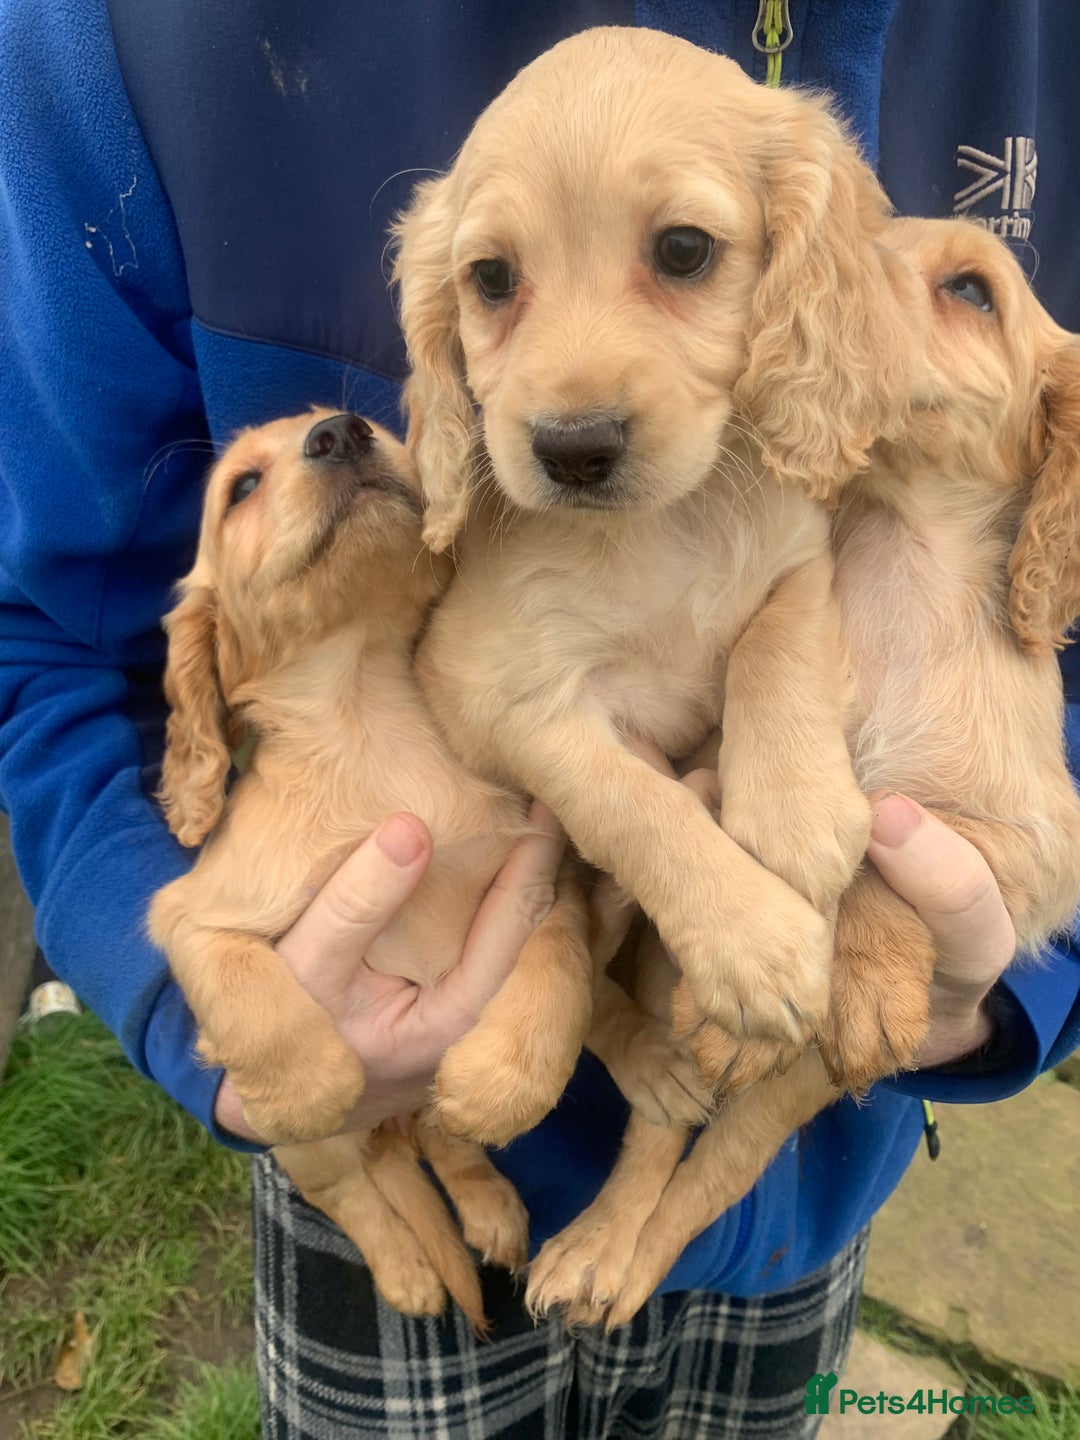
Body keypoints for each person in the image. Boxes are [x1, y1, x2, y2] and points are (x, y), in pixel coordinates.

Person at [0, 2, 1077, 1436]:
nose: (569, 404)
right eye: (495, 283)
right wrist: (237, 1022)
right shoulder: (117, 40)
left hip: (805, 1143)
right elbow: (60, 636)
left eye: (682, 255)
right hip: (383, 1096)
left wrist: (1012, 979)